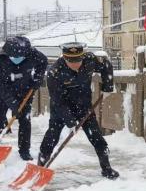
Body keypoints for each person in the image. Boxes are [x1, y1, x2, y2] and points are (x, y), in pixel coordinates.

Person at [38, 42, 119, 179]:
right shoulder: (54, 72)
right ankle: (40, 167)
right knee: (52, 136)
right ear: (64, 58)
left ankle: (106, 168)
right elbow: (58, 101)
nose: (76, 64)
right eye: (71, 61)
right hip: (61, 109)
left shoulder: (89, 60)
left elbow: (106, 66)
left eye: (78, 60)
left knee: (97, 138)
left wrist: (107, 86)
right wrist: (71, 122)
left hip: (84, 107)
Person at [0, 36, 47, 160]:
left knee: (25, 120)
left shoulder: (32, 53)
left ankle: (24, 150)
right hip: (4, 92)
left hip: (25, 91)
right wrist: (12, 103)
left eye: (21, 56)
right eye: (15, 56)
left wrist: (37, 79)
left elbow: (43, 62)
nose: (18, 59)